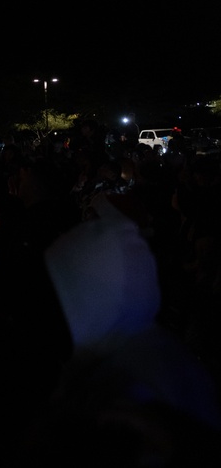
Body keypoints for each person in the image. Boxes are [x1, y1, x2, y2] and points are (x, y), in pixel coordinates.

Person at [21, 193, 221, 464]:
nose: (47, 302)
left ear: (88, 292)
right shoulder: (140, 348)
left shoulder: (130, 385)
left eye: (62, 290)